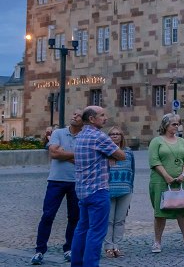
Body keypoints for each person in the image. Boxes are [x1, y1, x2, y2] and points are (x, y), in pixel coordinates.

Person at [70, 106, 126, 267]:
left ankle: (77, 263)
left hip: (82, 191)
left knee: (81, 230)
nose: (105, 118)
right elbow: (121, 155)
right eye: (102, 115)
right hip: (98, 190)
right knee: (96, 233)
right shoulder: (98, 137)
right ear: (92, 119)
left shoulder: (80, 136)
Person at [31, 110, 83, 265]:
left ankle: (69, 248)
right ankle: (40, 250)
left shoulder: (85, 136)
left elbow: (85, 158)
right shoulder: (58, 133)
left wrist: (64, 153)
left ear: (85, 120)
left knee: (74, 217)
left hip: (76, 181)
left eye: (78, 115)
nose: (74, 116)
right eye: (74, 113)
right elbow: (54, 153)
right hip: (56, 181)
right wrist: (75, 155)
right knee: (47, 215)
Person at [148, 113, 184, 253]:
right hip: (160, 181)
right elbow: (154, 161)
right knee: (160, 211)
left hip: (181, 181)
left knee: (183, 210)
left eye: (178, 124)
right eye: (174, 124)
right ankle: (157, 242)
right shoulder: (157, 141)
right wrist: (166, 176)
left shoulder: (181, 141)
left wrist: (183, 174)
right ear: (166, 125)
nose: (177, 126)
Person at [104, 126, 135, 258]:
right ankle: (108, 246)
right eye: (112, 134)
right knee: (109, 220)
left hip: (125, 190)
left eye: (117, 134)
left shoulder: (128, 152)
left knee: (120, 220)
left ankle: (116, 245)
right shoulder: (104, 152)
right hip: (108, 189)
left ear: (122, 137)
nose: (115, 136)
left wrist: (131, 187)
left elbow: (132, 171)